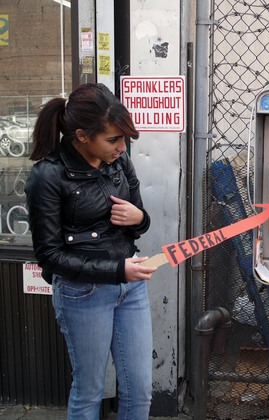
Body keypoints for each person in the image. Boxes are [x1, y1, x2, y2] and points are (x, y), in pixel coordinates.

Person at [25, 83, 157, 419]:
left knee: (139, 390)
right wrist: (116, 271)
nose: (121, 147)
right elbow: (50, 256)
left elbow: (140, 222)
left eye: (124, 139)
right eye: (113, 139)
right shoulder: (47, 176)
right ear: (83, 136)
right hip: (82, 293)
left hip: (130, 287)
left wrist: (139, 217)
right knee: (89, 391)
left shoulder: (119, 163)